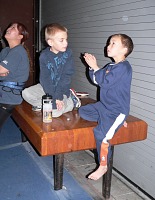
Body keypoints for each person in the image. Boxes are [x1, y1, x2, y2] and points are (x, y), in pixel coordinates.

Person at [79, 33, 134, 180]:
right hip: (104, 106)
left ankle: (103, 165)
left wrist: (95, 66)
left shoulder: (124, 67)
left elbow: (105, 82)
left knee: (100, 134)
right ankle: (116, 123)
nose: (108, 46)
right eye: (108, 43)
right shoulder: (110, 66)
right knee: (83, 112)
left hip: (116, 110)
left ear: (124, 49)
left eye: (113, 43)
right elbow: (97, 80)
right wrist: (91, 68)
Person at [22, 23, 80, 117]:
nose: (66, 43)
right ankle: (47, 105)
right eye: (61, 40)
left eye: (66, 39)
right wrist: (53, 99)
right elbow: (45, 80)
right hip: (48, 88)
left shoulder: (67, 53)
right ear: (50, 42)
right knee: (26, 93)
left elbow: (66, 76)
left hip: (62, 89)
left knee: (54, 113)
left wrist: (58, 97)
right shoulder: (44, 56)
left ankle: (72, 101)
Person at [0, 22, 29, 129]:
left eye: (13, 28)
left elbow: (2, 69)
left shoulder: (18, 51)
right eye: (9, 26)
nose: (9, 28)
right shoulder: (5, 51)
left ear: (20, 36)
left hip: (10, 97)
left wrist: (2, 71)